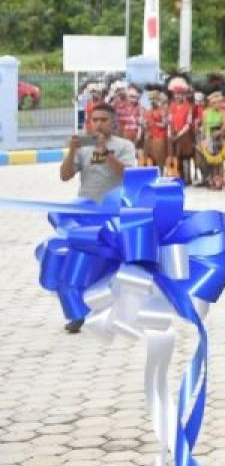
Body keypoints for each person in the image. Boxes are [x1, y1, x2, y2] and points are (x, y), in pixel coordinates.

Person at [59, 102, 138, 333]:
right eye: (96, 120)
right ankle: (78, 313)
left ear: (114, 122)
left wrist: (105, 154)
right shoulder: (83, 148)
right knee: (80, 263)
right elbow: (65, 176)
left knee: (116, 266)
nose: (99, 124)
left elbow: (128, 175)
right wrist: (72, 150)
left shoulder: (124, 146)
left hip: (114, 215)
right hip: (85, 214)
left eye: (104, 120)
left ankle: (120, 313)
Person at [166, 77, 195, 183]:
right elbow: (169, 121)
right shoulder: (171, 106)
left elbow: (188, 123)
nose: (178, 96)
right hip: (173, 134)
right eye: (176, 94)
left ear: (184, 95)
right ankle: (175, 175)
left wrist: (180, 134)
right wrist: (170, 133)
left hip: (184, 135)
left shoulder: (188, 107)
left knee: (185, 156)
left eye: (181, 94)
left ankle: (187, 178)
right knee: (172, 155)